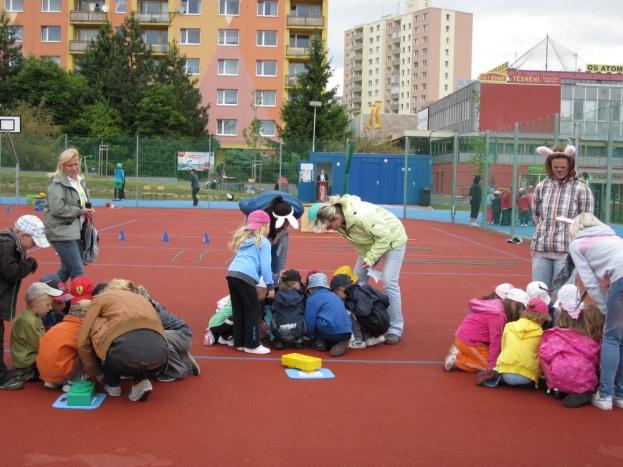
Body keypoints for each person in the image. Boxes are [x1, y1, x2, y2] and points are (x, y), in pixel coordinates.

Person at [309, 194, 407, 345]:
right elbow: (359, 242)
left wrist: (371, 258)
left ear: (335, 217)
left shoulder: (362, 216)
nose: (329, 229)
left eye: (329, 226)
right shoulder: (340, 222)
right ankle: (357, 321)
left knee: (389, 281)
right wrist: (366, 260)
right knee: (354, 280)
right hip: (370, 244)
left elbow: (385, 237)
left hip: (393, 238)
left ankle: (395, 328)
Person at [567, 213, 623, 410]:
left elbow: (589, 281)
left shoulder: (576, 245)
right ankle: (621, 393)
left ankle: (606, 395)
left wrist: (604, 306)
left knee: (612, 337)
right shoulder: (614, 237)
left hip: (621, 278)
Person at [77, 285, 168, 402]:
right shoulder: (141, 298)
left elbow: (82, 342)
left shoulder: (100, 299)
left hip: (122, 358)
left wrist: (96, 372)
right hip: (159, 360)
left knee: (101, 328)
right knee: (139, 341)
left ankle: (112, 384)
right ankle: (140, 380)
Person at [531, 145, 594, 292]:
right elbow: (536, 215)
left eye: (563, 167)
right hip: (541, 249)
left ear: (570, 166)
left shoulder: (581, 189)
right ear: (550, 166)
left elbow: (586, 220)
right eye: (556, 167)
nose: (559, 170)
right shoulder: (542, 186)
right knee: (539, 294)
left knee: (563, 296)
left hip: (566, 252)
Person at [0, 215, 50, 390]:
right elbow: (10, 271)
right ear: (22, 234)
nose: (35, 245)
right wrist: (28, 264)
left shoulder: (12, 244)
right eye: (33, 241)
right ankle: (1, 377)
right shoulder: (6, 244)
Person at [117, 280, 200, 382]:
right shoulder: (142, 304)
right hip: (172, 334)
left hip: (181, 334)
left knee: (152, 340)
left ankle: (178, 371)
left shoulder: (147, 310)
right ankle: (183, 359)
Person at [539, 286, 604, 408]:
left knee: (542, 354)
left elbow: (545, 354)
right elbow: (595, 360)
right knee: (588, 365)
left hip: (559, 380)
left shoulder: (555, 336)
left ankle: (557, 387)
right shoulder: (588, 340)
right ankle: (583, 391)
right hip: (584, 381)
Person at [444, 287, 527, 372]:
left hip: (473, 339)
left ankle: (462, 352)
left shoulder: (499, 306)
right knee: (485, 365)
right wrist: (492, 368)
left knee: (494, 360)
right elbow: (496, 342)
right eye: (521, 309)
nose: (521, 312)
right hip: (469, 341)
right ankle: (457, 360)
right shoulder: (498, 316)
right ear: (513, 304)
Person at [226, 210, 275, 355]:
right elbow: (266, 266)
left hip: (232, 274)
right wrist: (270, 285)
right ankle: (252, 344)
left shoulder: (244, 240)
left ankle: (239, 342)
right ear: (265, 225)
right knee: (252, 310)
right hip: (246, 277)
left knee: (239, 309)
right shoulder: (264, 242)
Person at [45, 148, 94, 282]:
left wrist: (87, 212)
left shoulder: (80, 181)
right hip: (61, 231)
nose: (74, 168)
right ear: (62, 166)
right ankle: (79, 302)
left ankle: (45, 294)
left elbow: (81, 203)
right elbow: (57, 209)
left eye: (76, 164)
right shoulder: (57, 183)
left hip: (76, 230)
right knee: (78, 272)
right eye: (69, 165)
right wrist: (80, 211)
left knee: (66, 269)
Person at [477, 298, 551, 388]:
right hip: (527, 377)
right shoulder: (542, 333)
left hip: (505, 371)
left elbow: (503, 348)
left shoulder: (509, 326)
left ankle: (498, 378)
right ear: (542, 318)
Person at [239, 191, 303, 277]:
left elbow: (280, 255)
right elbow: (243, 203)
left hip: (280, 225)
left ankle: (277, 278)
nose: (287, 224)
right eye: (284, 222)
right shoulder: (253, 208)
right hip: (259, 226)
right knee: (258, 253)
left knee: (279, 255)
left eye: (288, 221)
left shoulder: (298, 209)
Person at [10, 282, 63, 382]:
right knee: (59, 367)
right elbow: (40, 346)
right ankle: (24, 373)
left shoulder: (33, 316)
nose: (51, 308)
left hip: (31, 357)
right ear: (36, 302)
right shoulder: (28, 321)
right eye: (48, 304)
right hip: (28, 363)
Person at [36, 299, 90, 391]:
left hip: (43, 372)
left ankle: (51, 382)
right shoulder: (81, 330)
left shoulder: (58, 326)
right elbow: (85, 351)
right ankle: (73, 382)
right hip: (62, 371)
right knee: (85, 350)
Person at [304, 273, 352, 357]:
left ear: (311, 289)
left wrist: (310, 336)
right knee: (328, 319)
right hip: (347, 331)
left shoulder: (312, 299)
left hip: (330, 331)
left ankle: (321, 342)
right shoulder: (334, 295)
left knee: (319, 321)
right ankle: (339, 342)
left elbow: (310, 321)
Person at [270, 269, 305, 349]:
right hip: (297, 331)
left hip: (280, 331)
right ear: (296, 284)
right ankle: (298, 340)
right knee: (303, 315)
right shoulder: (302, 296)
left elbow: (272, 311)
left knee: (270, 315)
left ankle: (276, 340)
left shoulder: (276, 296)